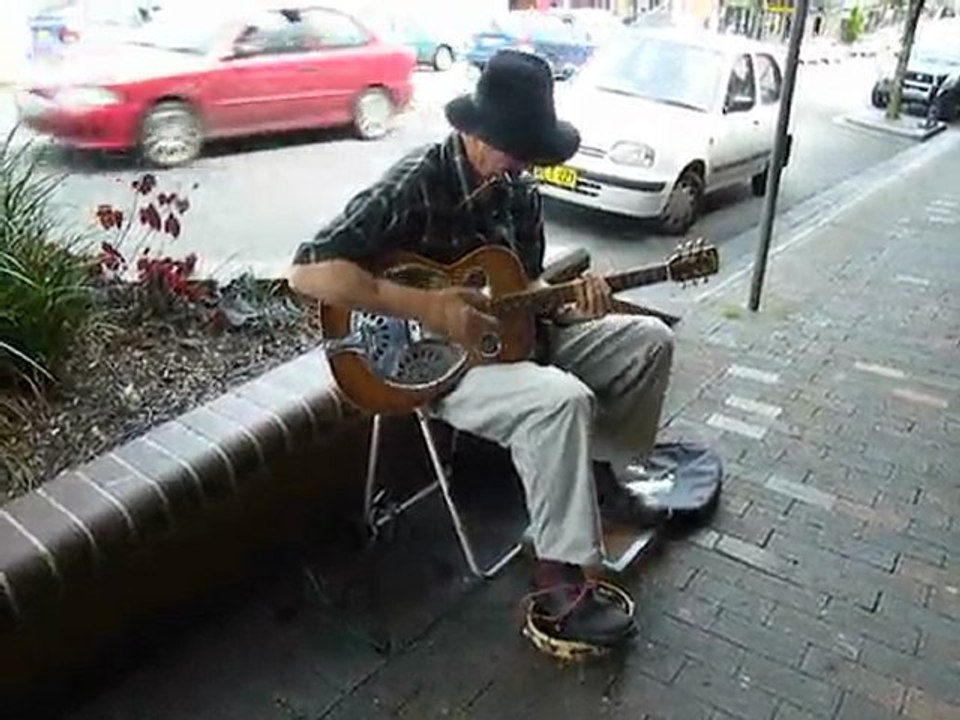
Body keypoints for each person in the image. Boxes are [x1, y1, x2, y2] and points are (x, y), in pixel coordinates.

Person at [288, 50, 675, 649]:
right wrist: (427, 307)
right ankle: (557, 576)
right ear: (474, 131)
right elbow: (309, 272)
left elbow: (530, 288)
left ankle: (600, 484)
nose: (520, 164)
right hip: (433, 369)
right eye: (512, 149)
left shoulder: (519, 191)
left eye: (529, 152)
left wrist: (576, 303)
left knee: (649, 341)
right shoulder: (418, 182)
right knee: (560, 401)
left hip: (513, 343)